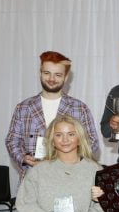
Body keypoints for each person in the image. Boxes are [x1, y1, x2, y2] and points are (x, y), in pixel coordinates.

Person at [6, 51, 99, 179]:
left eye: (58, 75)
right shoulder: (23, 107)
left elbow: (92, 142)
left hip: (70, 177)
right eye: (47, 73)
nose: (51, 79)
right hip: (33, 176)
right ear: (40, 73)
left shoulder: (79, 108)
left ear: (66, 77)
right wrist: (23, 158)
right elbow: (12, 140)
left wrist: (70, 160)